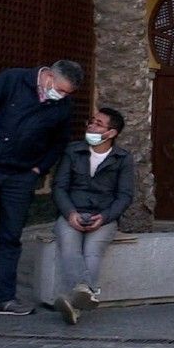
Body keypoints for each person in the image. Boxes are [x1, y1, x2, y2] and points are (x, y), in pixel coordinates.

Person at [0, 60, 83, 318]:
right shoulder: (13, 79)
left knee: (11, 238)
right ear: (48, 76)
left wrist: (39, 169)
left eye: (67, 93)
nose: (61, 95)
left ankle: (4, 300)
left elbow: (59, 142)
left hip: (21, 176)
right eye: (59, 89)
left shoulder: (62, 106)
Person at [51, 107, 134, 325]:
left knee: (92, 250)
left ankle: (73, 301)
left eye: (98, 124)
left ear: (112, 132)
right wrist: (70, 214)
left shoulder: (122, 158)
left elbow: (124, 196)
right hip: (72, 211)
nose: (91, 126)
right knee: (69, 246)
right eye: (91, 122)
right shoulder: (73, 151)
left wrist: (105, 217)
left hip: (103, 215)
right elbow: (59, 186)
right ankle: (86, 293)